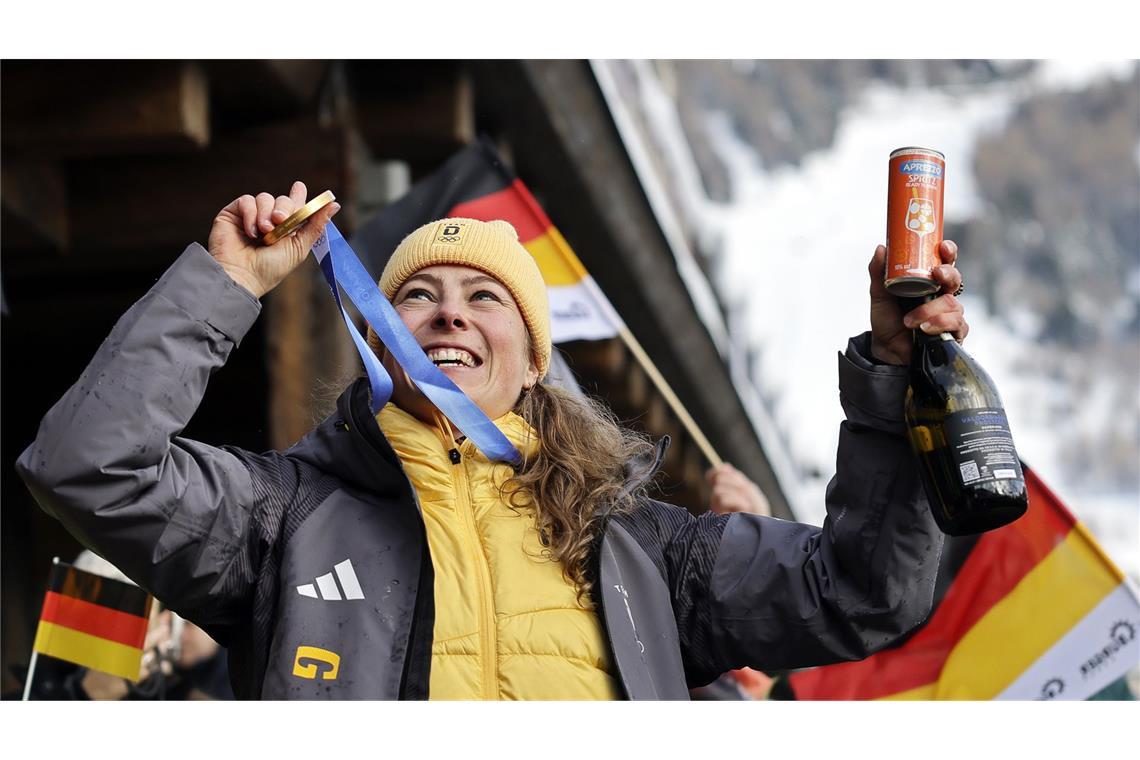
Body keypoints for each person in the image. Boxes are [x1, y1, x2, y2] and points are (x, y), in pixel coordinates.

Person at [17, 181, 968, 700]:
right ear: (376, 346)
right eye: (416, 298)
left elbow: (865, 590)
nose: (447, 317)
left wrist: (890, 379)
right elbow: (87, 466)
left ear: (529, 366)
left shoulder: (639, 548)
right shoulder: (283, 517)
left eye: (485, 300)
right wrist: (226, 284)